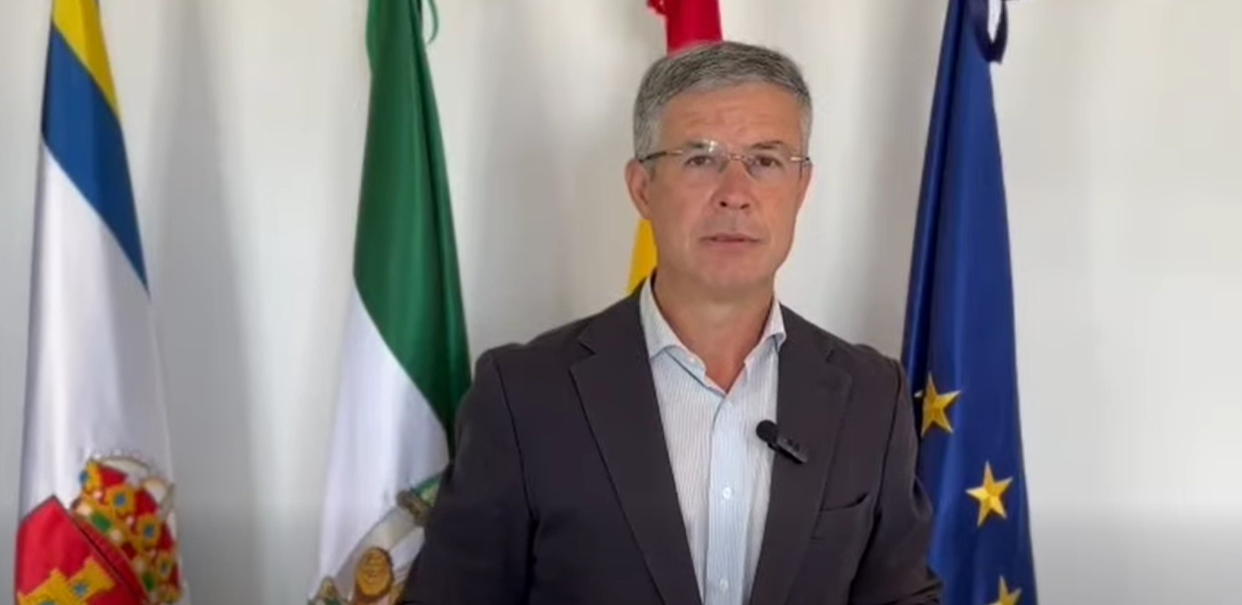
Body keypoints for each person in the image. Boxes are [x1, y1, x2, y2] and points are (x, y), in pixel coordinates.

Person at [399, 41, 941, 605]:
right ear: (643, 189)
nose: (736, 195)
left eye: (766, 161)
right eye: (700, 159)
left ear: (800, 189)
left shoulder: (871, 395)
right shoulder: (523, 395)